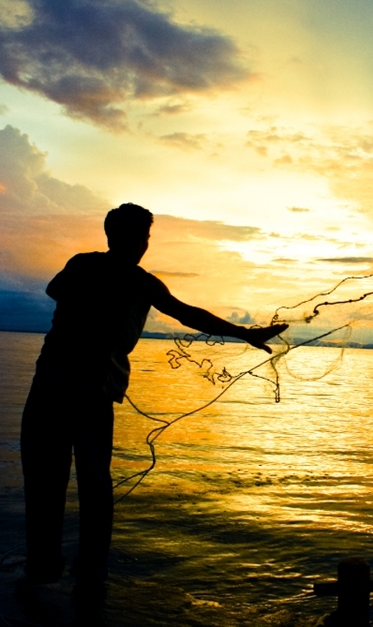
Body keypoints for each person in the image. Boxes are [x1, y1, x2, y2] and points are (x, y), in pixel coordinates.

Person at [19, 203, 287, 594]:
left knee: (55, 480)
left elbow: (56, 290)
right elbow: (185, 313)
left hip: (59, 386)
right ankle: (78, 570)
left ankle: (57, 568)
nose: (143, 244)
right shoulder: (128, 278)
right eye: (141, 237)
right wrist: (246, 333)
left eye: (144, 237)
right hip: (78, 390)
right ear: (126, 238)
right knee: (85, 482)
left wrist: (245, 333)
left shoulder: (97, 269)